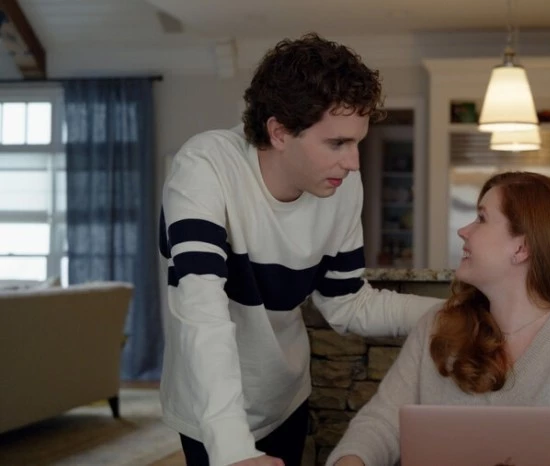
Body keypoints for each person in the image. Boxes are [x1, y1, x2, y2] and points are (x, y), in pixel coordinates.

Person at [158, 33, 443, 466]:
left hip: (285, 397)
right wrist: (232, 449)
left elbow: (347, 302)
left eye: (357, 142)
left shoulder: (343, 187)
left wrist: (452, 314)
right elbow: (202, 315)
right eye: (337, 143)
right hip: (209, 410)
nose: (353, 163)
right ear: (279, 132)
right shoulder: (204, 169)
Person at [327, 171, 550, 466]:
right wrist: (352, 460)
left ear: (522, 248)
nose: (464, 231)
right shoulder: (437, 325)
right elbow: (382, 423)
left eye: (481, 218)